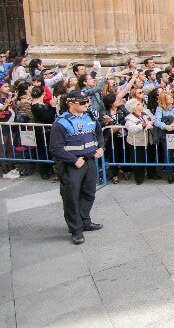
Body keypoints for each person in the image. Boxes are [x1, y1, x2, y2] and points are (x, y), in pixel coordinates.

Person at [48, 90, 104, 245]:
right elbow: (55, 148)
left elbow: (98, 133)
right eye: (83, 103)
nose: (87, 105)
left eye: (87, 102)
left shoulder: (90, 117)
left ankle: (85, 221)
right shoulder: (61, 122)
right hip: (73, 164)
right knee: (71, 197)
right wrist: (73, 160)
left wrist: (101, 147)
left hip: (90, 160)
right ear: (71, 103)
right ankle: (76, 229)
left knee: (89, 193)